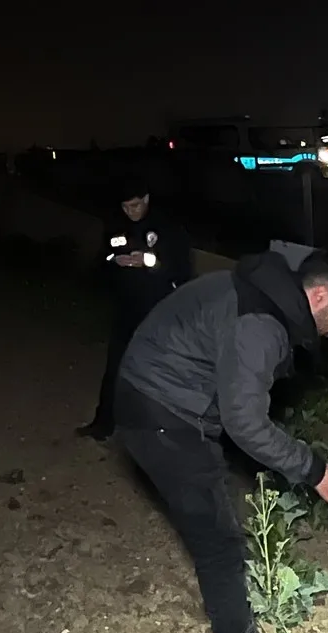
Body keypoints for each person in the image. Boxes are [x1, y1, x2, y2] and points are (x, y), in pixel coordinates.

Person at [114, 247, 328, 633]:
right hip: (161, 414)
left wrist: (313, 467)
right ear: (318, 297)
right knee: (219, 545)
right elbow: (245, 423)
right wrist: (314, 473)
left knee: (221, 531)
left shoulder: (261, 300)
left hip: (162, 406)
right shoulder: (261, 325)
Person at [78, 175, 192, 440]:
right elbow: (102, 259)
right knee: (115, 367)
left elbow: (181, 269)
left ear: (146, 199)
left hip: (157, 310)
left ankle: (157, 431)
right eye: (125, 207)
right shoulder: (117, 226)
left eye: (135, 205)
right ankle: (103, 423)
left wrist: (149, 261)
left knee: (157, 371)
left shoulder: (167, 227)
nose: (130, 211)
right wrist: (114, 260)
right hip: (126, 309)